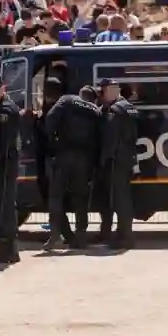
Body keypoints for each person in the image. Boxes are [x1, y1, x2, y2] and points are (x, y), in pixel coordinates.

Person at [43, 84, 103, 250]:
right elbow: (100, 138)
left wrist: (53, 142)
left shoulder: (67, 100)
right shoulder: (96, 111)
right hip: (84, 160)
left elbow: (50, 120)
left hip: (63, 155)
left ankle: (55, 235)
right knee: (80, 199)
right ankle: (80, 237)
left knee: (56, 197)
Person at [97, 77, 138, 249]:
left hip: (116, 159)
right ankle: (124, 234)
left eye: (102, 92)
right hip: (128, 157)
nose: (100, 96)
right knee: (124, 198)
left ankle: (124, 237)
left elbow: (110, 138)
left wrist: (102, 159)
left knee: (119, 199)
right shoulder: (129, 107)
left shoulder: (114, 110)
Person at [0, 74, 22, 264]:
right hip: (4, 162)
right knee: (1, 204)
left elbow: (3, 142)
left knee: (4, 205)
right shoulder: (0, 107)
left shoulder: (5, 110)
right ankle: (6, 248)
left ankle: (7, 248)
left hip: (6, 162)